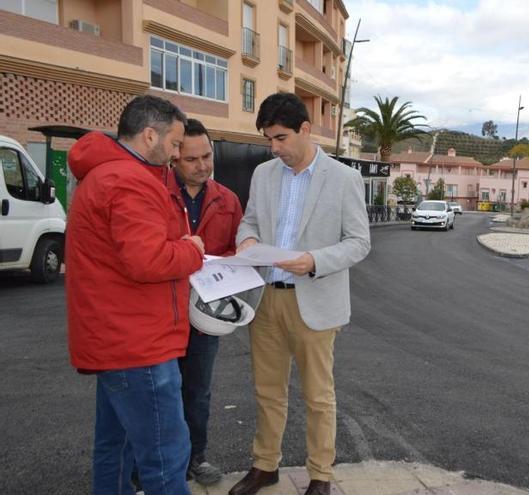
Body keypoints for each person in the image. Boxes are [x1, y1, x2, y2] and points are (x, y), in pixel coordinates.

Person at [229, 93, 370, 495]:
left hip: (315, 298)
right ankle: (265, 466)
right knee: (267, 391)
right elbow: (249, 221)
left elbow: (359, 243)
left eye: (280, 138)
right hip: (267, 300)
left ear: (305, 130)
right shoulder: (263, 175)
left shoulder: (343, 178)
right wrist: (249, 239)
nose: (274, 148)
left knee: (318, 396)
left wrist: (313, 260)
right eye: (268, 140)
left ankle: (320, 475)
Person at [65, 95, 205, 494]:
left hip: (115, 339)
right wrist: (192, 249)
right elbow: (149, 261)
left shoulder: (105, 174)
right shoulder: (128, 180)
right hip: (137, 344)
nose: (179, 154)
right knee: (165, 455)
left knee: (116, 448)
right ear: (149, 136)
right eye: (176, 145)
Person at [168, 119, 244, 485]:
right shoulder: (157, 193)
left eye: (207, 156)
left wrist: (225, 265)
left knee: (197, 391)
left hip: (204, 314)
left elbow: (236, 249)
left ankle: (196, 458)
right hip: (162, 312)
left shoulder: (227, 200)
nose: (202, 165)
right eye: (192, 158)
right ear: (174, 158)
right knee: (162, 391)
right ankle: (159, 462)